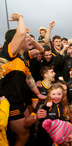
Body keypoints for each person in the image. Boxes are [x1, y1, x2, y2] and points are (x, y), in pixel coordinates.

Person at [0, 12, 45, 146]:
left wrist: (38, 94)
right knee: (23, 135)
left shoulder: (22, 56)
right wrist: (20, 17)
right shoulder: (9, 53)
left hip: (20, 101)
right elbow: (19, 34)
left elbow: (29, 78)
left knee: (29, 127)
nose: (27, 39)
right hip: (9, 101)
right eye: (26, 38)